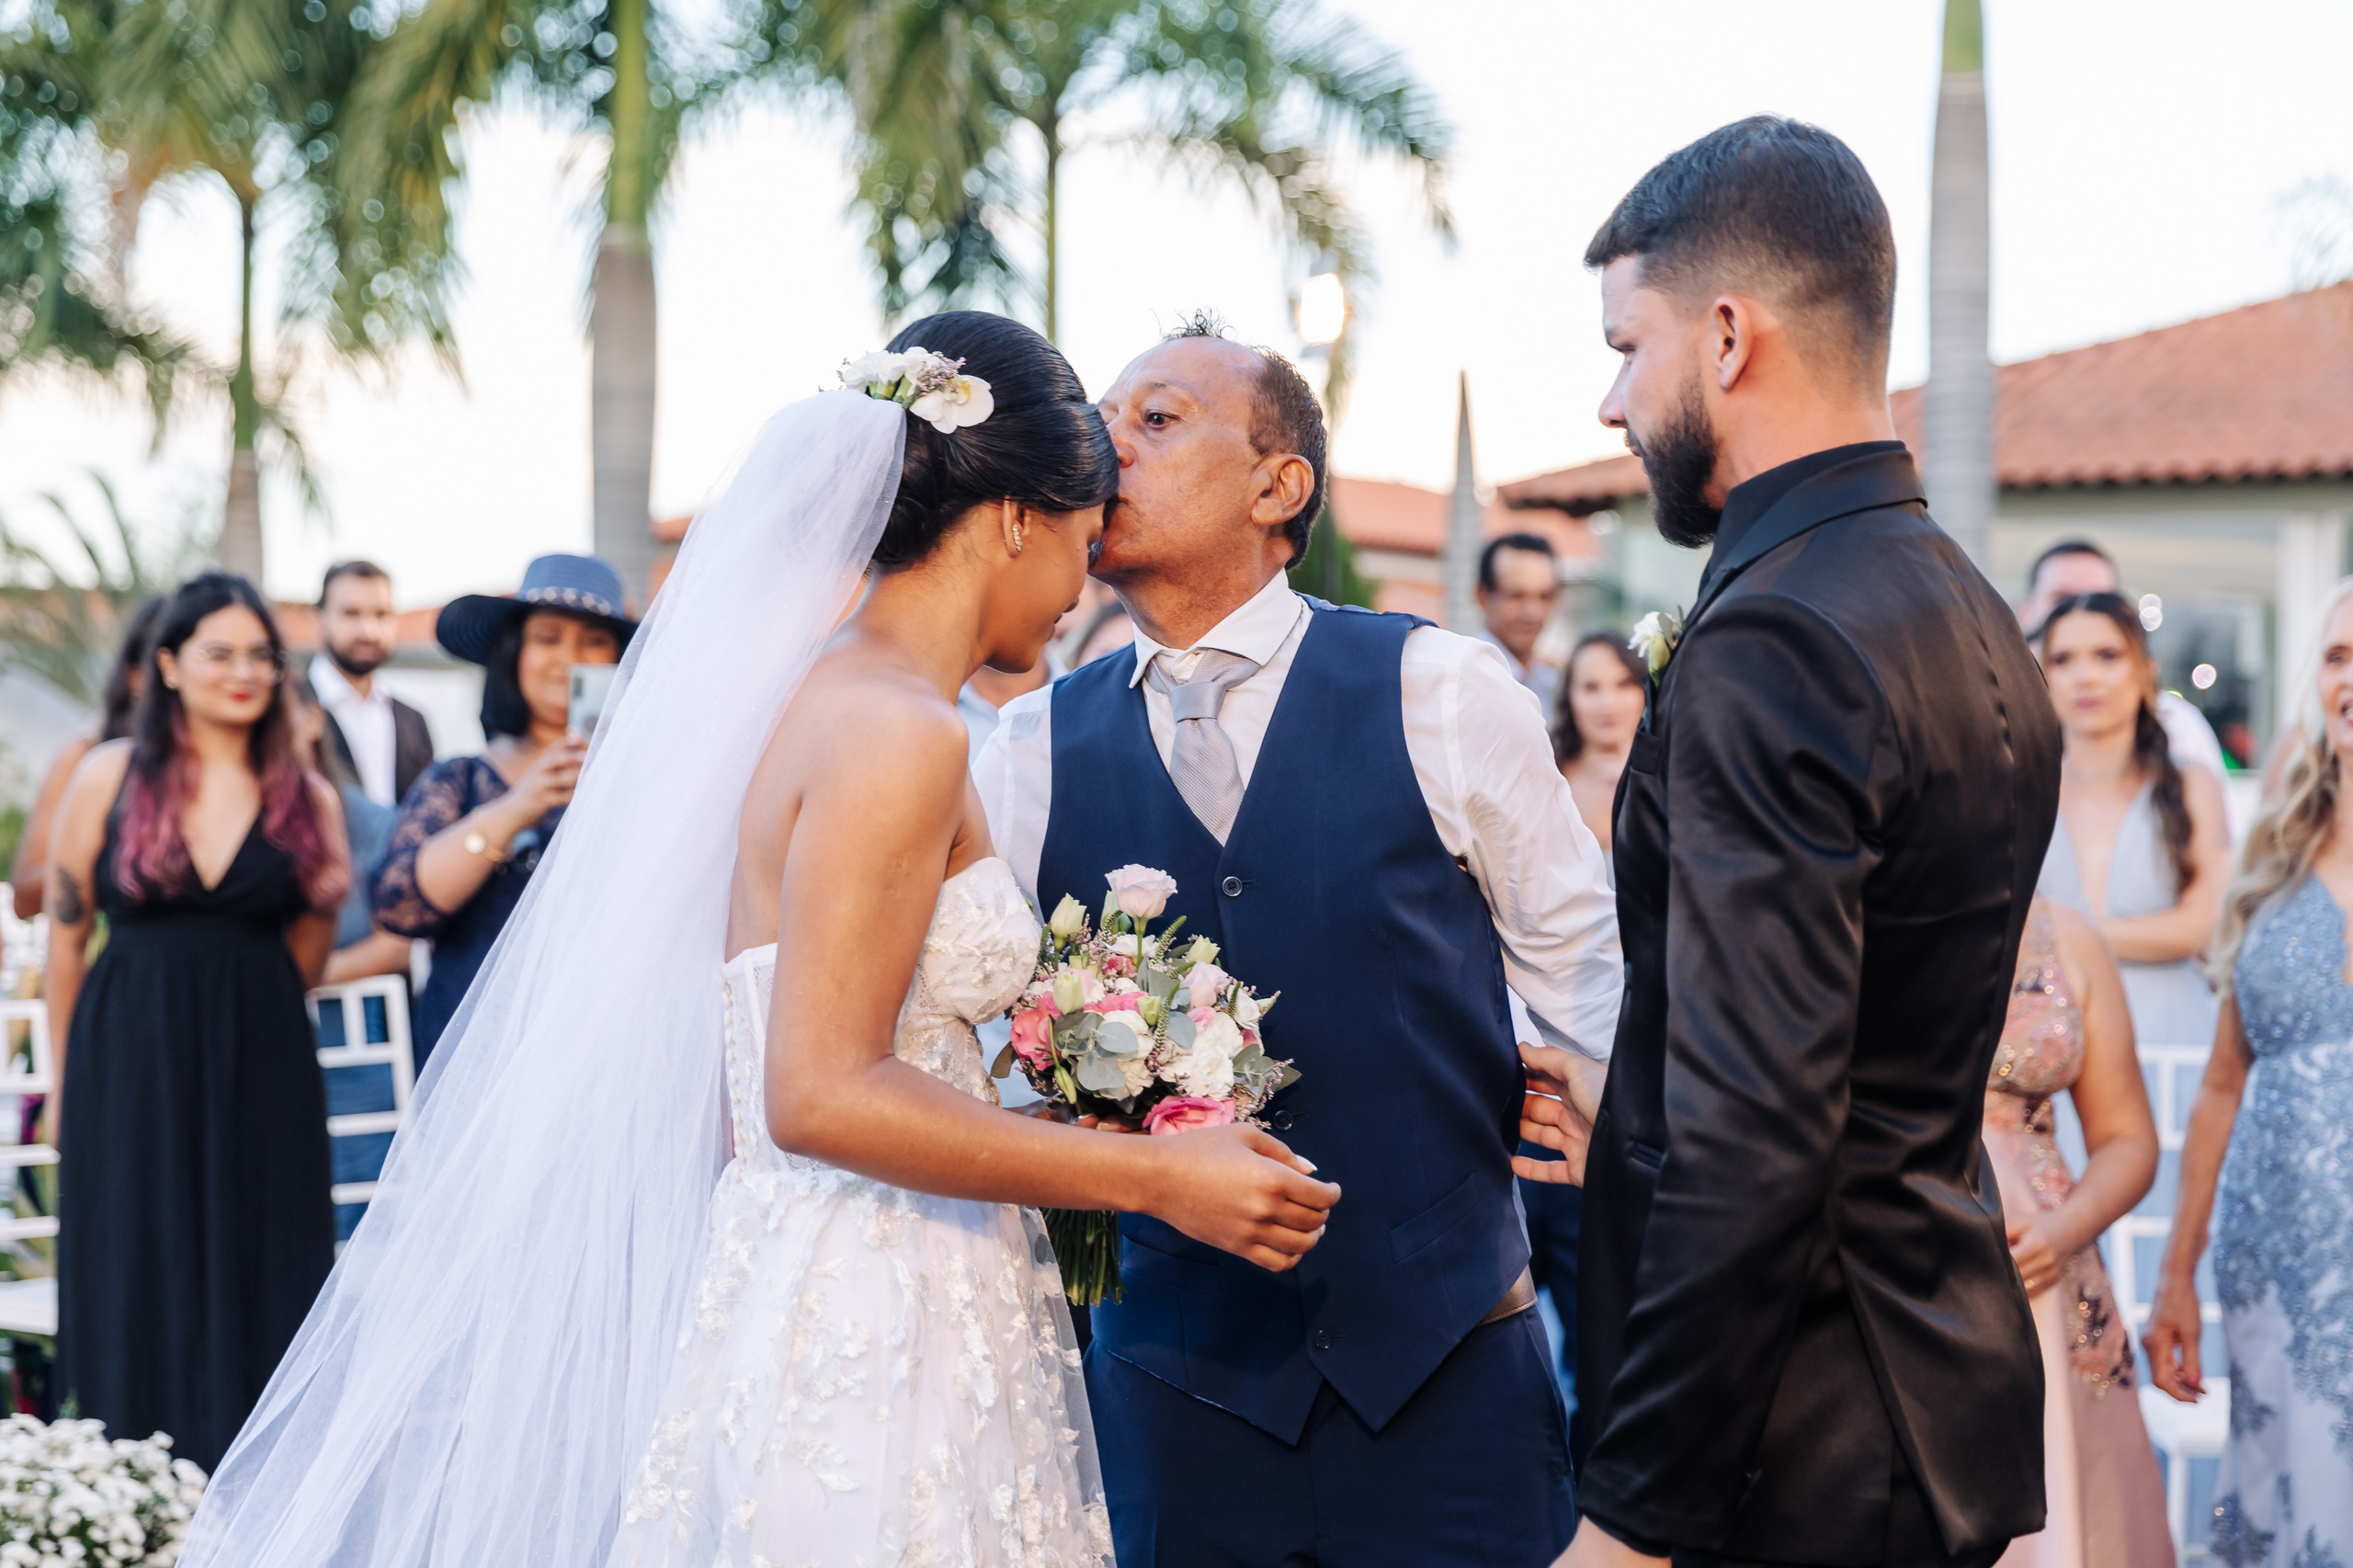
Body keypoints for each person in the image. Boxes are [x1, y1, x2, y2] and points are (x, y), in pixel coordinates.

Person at [183, 312, 1336, 1568]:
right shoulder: (899, 731)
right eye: (1078, 537)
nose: (1083, 583)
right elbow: (818, 1091)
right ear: (1012, 520)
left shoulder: (823, 696)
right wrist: (1162, 1176)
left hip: (828, 1271)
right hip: (883, 1306)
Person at [975, 313, 1621, 1566]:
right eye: (1102, 420)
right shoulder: (1027, 752)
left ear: (1283, 486)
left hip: (1451, 1373)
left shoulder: (1440, 689)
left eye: (1156, 419)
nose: (1107, 446)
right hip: (1173, 1394)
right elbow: (990, 1051)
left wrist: (1546, 1078)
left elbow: (1579, 965)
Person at [1519, 117, 2061, 1568]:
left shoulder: (1775, 636)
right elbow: (1877, 1036)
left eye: (1628, 347)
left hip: (1794, 1439)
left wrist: (1632, 1519)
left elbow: (1764, 1131)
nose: (1611, 401)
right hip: (1933, 1396)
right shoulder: (1971, 610)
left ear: (1727, 334)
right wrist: (1628, 1099)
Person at [40, 572, 347, 1473]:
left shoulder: (310, 799)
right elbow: (65, 942)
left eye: (262, 654)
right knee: (137, 1251)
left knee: (264, 1253)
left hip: (264, 1053)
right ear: (168, 664)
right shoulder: (107, 776)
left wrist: (240, 1010)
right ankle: (134, 1487)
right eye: (220, 652)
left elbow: (312, 944)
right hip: (128, 1048)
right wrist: (65, 1085)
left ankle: (259, 1493)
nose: (244, 671)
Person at [2142, 577, 2353, 1566]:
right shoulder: (2274, 852)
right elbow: (2223, 1081)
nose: (2346, 677)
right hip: (2271, 1272)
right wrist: (2176, 1273)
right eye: (2336, 656)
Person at [368, 554, 628, 1067]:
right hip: (477, 1055)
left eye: (593, 640)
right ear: (514, 652)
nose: (568, 658)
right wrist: (518, 806)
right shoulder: (459, 779)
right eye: (547, 637)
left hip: (609, 1051)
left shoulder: (651, 780)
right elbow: (399, 906)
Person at [1985, 899, 2171, 1568]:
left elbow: (2128, 1139)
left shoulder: (2066, 936)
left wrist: (2064, 1230)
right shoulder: (1852, 905)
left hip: (2049, 1277)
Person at [2037, 594, 2231, 1070]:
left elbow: (2207, 920)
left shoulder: (2190, 784)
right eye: (2064, 659)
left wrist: (2076, 937)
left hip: (2170, 1043)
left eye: (2107, 655)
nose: (2086, 676)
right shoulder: (2020, 790)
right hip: (2051, 1040)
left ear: (2146, 671)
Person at [8, 595, 167, 918]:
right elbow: (25, 895)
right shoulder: (88, 756)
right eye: (165, 665)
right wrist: (122, 855)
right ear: (135, 675)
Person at [2018, 540, 2231, 780]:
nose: (2079, 612)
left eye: (2097, 599)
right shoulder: (1997, 717)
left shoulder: (2177, 727)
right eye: (2061, 598)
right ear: (2025, 612)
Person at [284, 673, 411, 984]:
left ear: (313, 720)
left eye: (277, 718)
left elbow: (398, 945)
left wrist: (290, 981)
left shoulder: (373, 821)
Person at [310, 560, 435, 809]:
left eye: (381, 614)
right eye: (351, 614)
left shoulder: (413, 721)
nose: (369, 631)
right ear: (320, 618)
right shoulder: (287, 707)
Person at [1553, 630, 1648, 857]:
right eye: (1591, 687)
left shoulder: (1671, 780)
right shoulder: (1547, 780)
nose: (1608, 703)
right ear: (1569, 696)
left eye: (1624, 684)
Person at [1478, 531, 1566, 696]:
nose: (1532, 612)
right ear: (1483, 597)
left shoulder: (1553, 682)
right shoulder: (1465, 679)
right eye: (1517, 596)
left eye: (1544, 596)